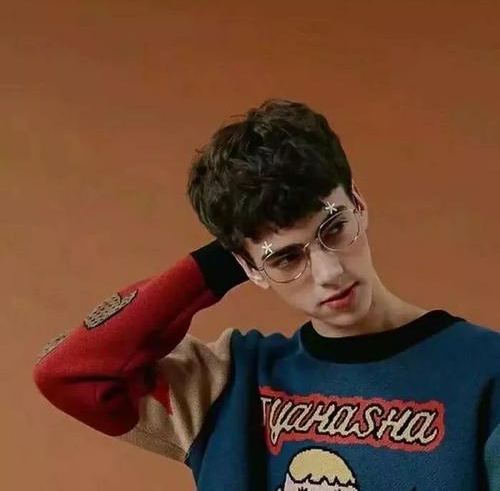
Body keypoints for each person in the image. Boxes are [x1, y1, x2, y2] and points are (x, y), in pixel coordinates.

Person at [33, 99, 499, 490]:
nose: (330, 272)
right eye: (287, 258)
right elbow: (69, 374)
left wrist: (266, 249)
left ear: (358, 203)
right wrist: (216, 266)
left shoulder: (485, 372)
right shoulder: (230, 386)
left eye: (335, 228)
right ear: (249, 267)